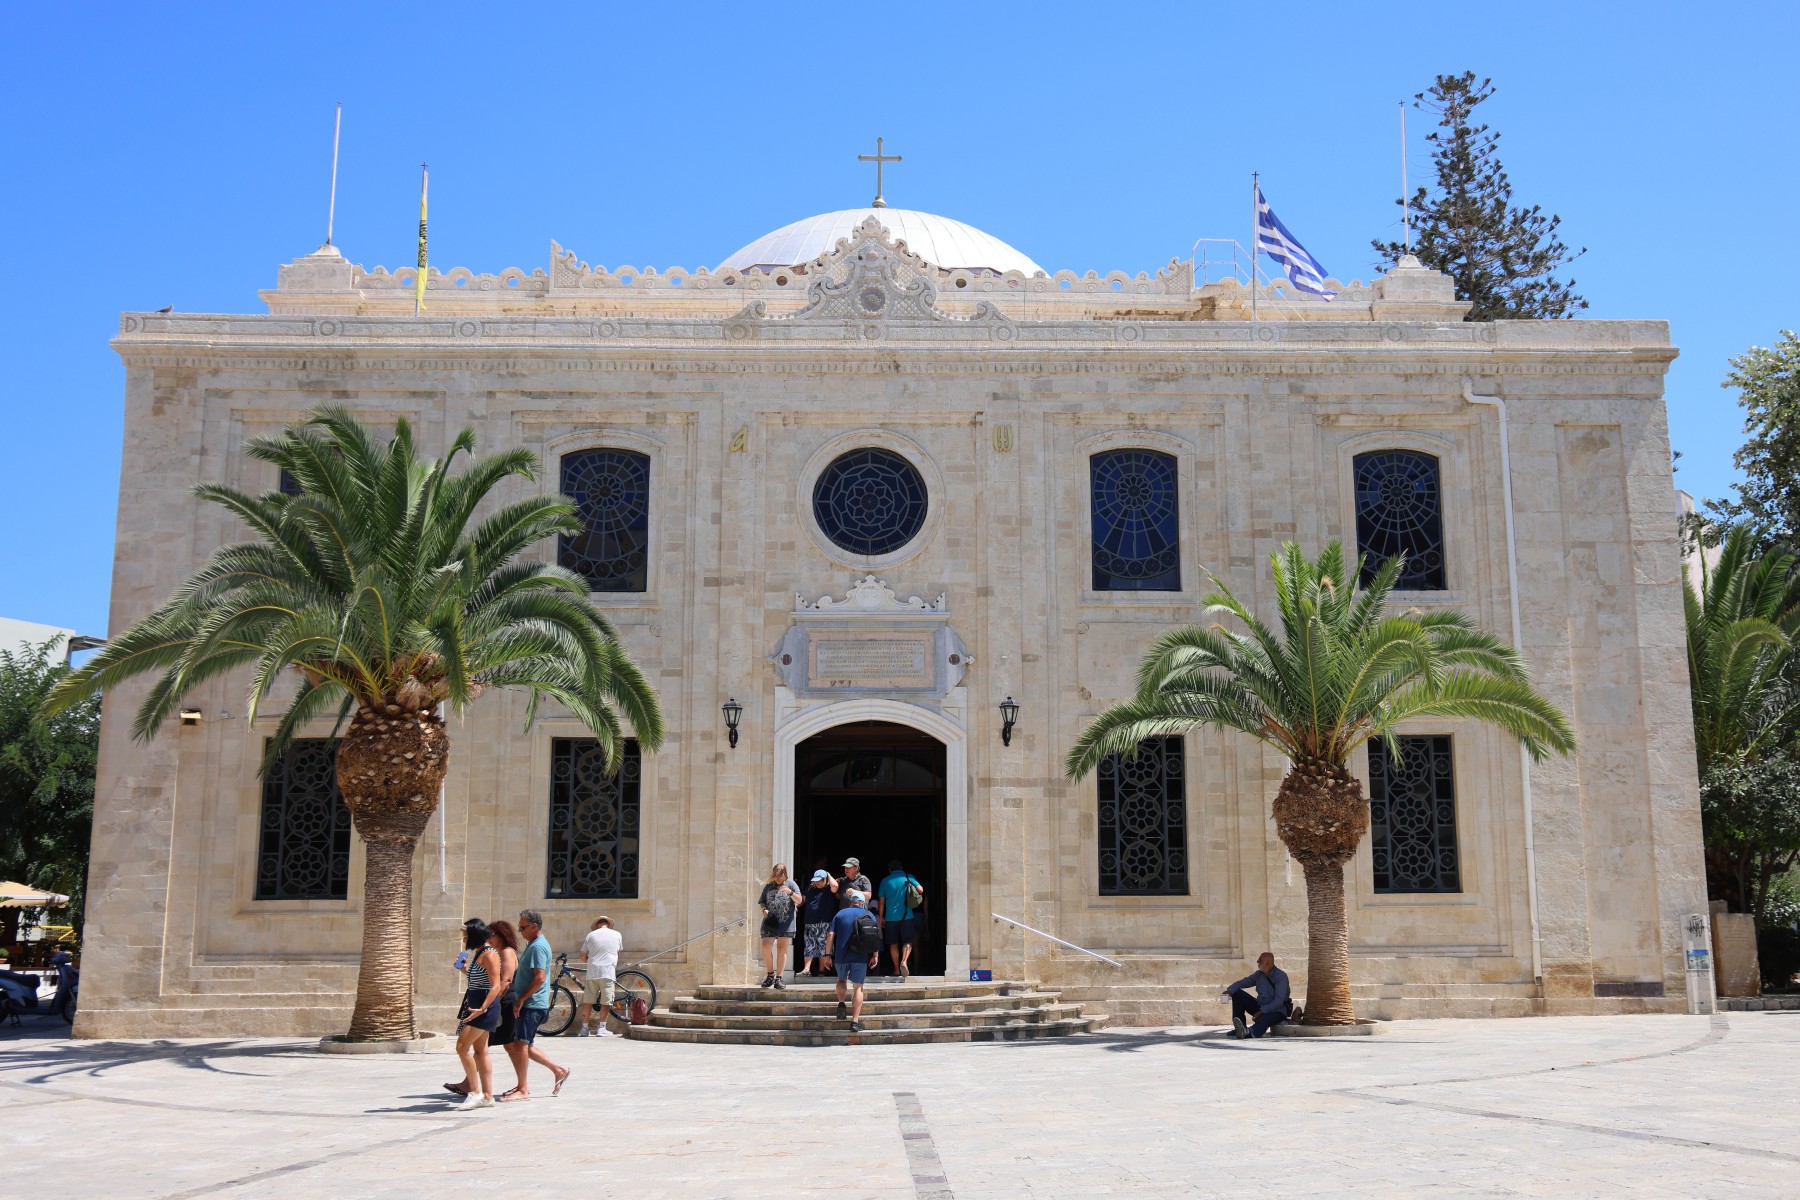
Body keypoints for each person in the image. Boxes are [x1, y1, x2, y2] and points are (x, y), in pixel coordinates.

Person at [499, 909, 570, 1100]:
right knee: (520, 1044)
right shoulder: (534, 945)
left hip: (532, 1004)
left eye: (522, 927)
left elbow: (540, 977)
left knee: (521, 1044)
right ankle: (558, 1070)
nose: (520, 931)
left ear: (534, 926)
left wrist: (521, 999)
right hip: (530, 1003)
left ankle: (523, 1089)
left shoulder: (538, 947)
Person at [451, 920, 503, 1109]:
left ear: (474, 934)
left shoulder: (489, 954)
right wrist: (464, 969)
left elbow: (496, 985)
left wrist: (482, 1008)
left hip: (483, 1008)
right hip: (477, 1006)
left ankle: (475, 1093)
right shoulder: (480, 953)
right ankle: (488, 1096)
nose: (464, 938)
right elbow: (478, 981)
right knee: (481, 1052)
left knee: (462, 1047)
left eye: (466, 935)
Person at [824, 890, 877, 1032]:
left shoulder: (840, 914)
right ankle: (855, 1021)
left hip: (841, 956)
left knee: (841, 980)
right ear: (862, 903)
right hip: (860, 956)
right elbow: (875, 936)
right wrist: (875, 955)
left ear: (850, 902)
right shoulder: (869, 915)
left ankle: (841, 1002)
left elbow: (830, 935)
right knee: (858, 987)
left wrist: (827, 955)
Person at [1222, 952, 1292, 1039]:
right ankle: (1239, 1028)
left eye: (1260, 961)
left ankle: (1248, 1032)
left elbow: (1278, 1001)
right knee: (1237, 993)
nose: (1257, 961)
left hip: (1277, 1011)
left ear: (1267, 963)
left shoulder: (1281, 977)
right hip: (1261, 1007)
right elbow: (1244, 982)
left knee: (1264, 1019)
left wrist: (1262, 1011)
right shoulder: (1258, 975)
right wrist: (1230, 991)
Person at [757, 863, 804, 988]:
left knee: (782, 948)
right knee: (766, 945)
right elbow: (762, 901)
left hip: (786, 922)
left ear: (785, 875)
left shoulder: (791, 884)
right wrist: (764, 910)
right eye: (775, 876)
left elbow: (799, 900)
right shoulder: (768, 886)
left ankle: (779, 978)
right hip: (770, 922)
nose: (777, 878)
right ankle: (770, 975)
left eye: (780, 876)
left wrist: (790, 892)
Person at [876, 859, 924, 979]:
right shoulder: (908, 877)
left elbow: (881, 902)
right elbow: (921, 890)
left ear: (889, 869)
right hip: (907, 916)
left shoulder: (885, 881)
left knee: (893, 944)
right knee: (907, 941)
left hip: (891, 918)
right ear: (901, 867)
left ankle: (897, 969)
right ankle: (904, 961)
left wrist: (881, 917)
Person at [577, 916, 622, 1036]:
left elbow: (582, 955)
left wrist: (591, 962)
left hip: (592, 972)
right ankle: (602, 1028)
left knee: (588, 1001)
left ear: (597, 925)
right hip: (608, 972)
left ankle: (584, 1029)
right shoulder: (617, 934)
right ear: (608, 924)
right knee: (606, 1001)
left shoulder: (591, 935)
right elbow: (617, 952)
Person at [837, 857, 881, 970]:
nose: (846, 869)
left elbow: (869, 895)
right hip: (845, 918)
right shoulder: (844, 881)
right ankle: (844, 969)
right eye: (845, 867)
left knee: (860, 943)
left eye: (849, 867)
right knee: (844, 942)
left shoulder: (863, 880)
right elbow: (838, 896)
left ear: (856, 868)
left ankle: (861, 970)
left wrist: (855, 891)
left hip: (860, 919)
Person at [799, 869, 838, 977]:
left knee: (823, 947)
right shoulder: (810, 887)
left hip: (824, 922)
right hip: (810, 922)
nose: (817, 882)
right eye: (815, 880)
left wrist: (828, 874)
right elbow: (802, 899)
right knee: (809, 946)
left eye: (819, 880)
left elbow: (835, 887)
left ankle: (822, 971)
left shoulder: (828, 888)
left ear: (825, 879)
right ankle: (806, 969)